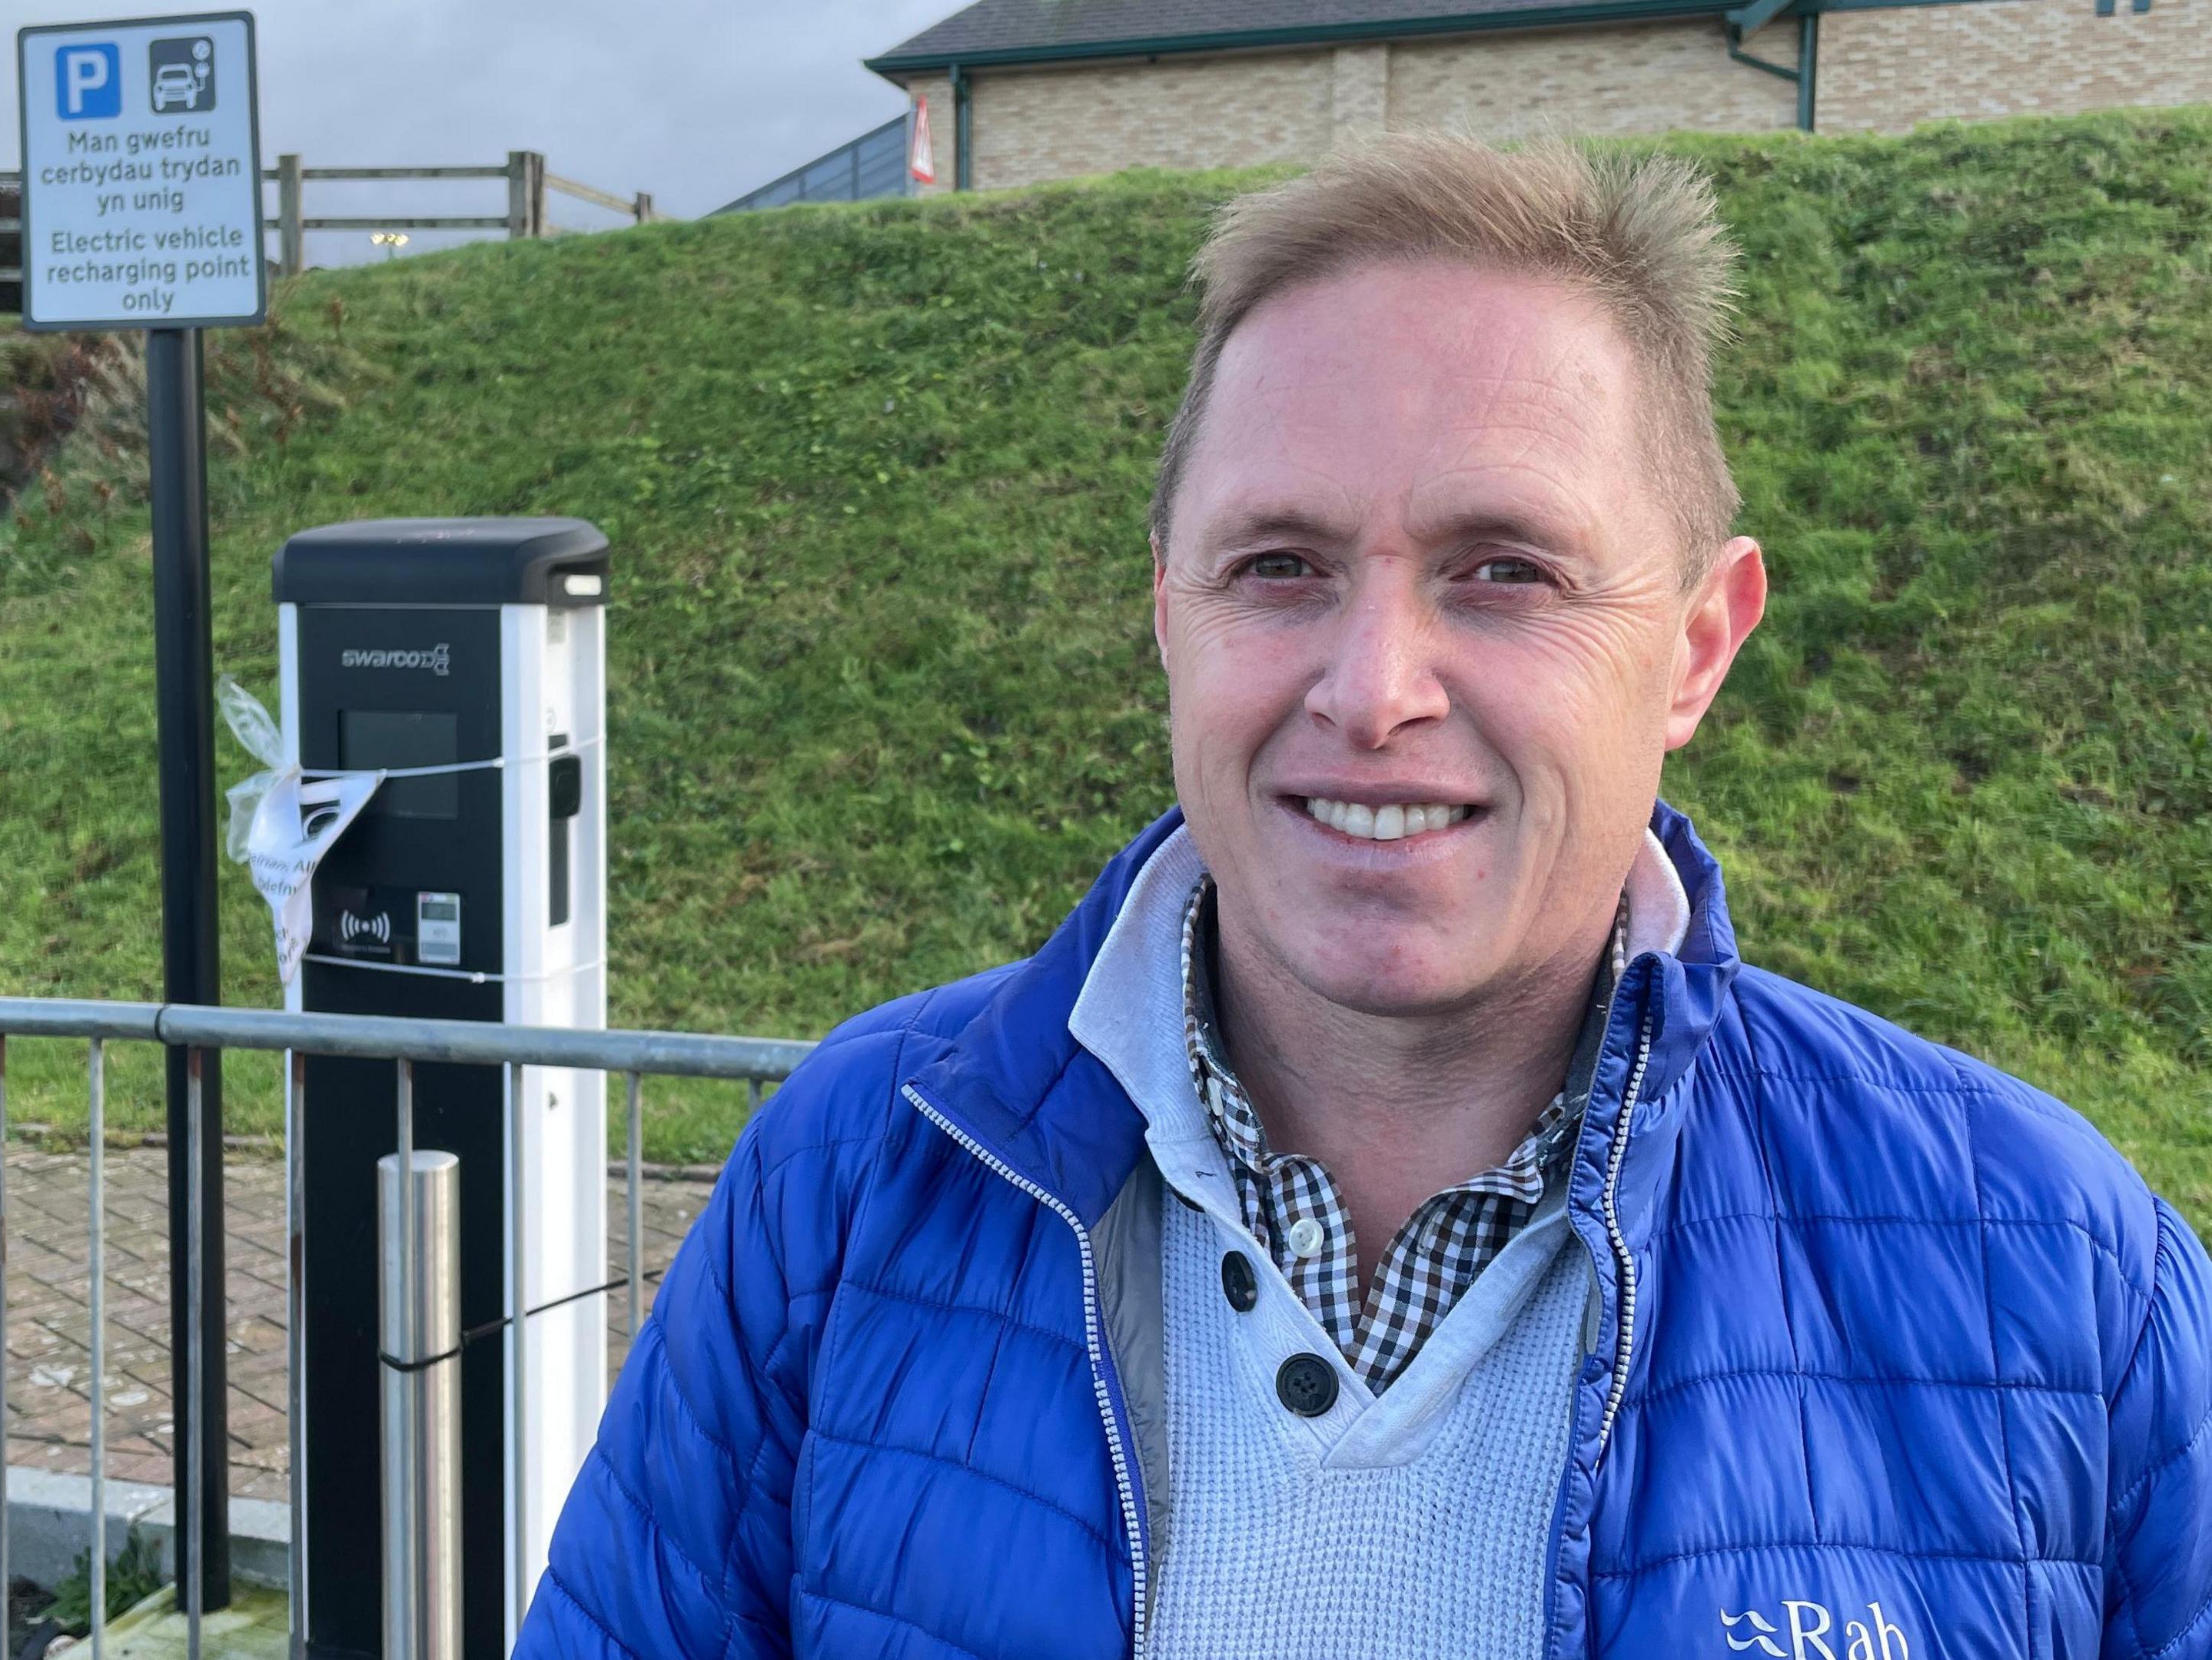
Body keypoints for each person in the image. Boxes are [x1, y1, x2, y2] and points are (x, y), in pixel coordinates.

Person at [517, 136, 2212, 1659]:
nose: (1375, 684)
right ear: (1171, 616)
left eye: (1505, 570)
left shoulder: (2059, 1276)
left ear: (1697, 644)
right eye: (1281, 569)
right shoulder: (849, 1178)